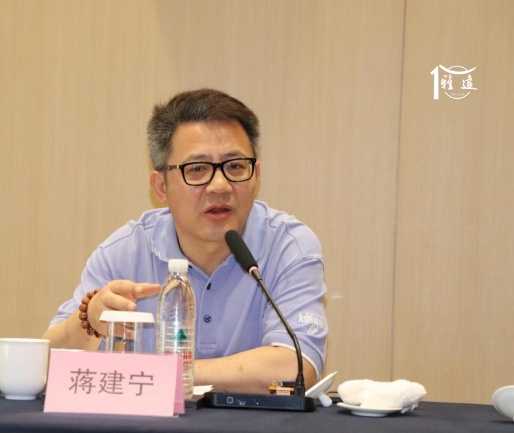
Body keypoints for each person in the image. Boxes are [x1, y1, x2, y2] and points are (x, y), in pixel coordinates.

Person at [43, 88, 328, 394]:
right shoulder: (124, 252)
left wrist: (159, 373)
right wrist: (88, 321)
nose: (220, 186)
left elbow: (296, 368)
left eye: (235, 166)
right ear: (161, 187)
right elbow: (46, 363)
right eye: (197, 169)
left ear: (255, 175)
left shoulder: (289, 247)